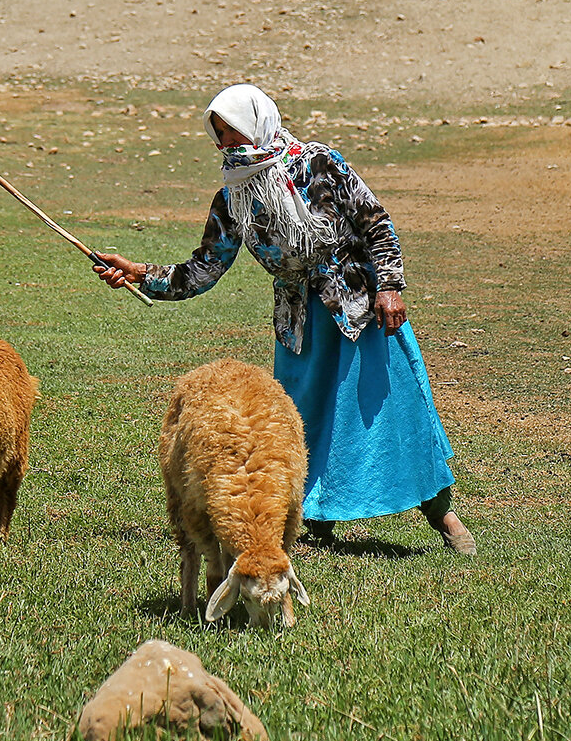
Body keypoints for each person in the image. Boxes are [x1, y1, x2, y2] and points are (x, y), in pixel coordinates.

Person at [94, 83, 475, 555]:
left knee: (393, 415)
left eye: (236, 135)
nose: (231, 147)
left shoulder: (320, 164)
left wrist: (391, 287)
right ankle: (313, 526)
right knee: (303, 423)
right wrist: (140, 274)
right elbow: (201, 271)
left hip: (359, 308)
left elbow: (375, 221)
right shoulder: (234, 197)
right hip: (300, 324)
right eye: (222, 139)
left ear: (259, 123)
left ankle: (444, 516)